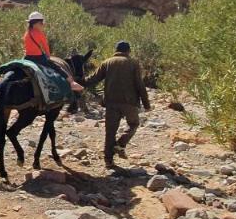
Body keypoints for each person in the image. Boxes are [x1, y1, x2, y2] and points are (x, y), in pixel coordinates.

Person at [92, 40, 150, 169]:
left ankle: (108, 161)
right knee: (134, 124)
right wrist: (146, 104)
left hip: (111, 102)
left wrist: (77, 83)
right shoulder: (133, 63)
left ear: (116, 50)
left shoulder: (107, 62)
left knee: (110, 131)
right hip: (129, 102)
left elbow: (93, 79)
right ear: (128, 51)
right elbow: (139, 84)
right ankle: (120, 144)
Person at [23, 11, 84, 92]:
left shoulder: (27, 33)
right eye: (41, 23)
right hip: (38, 58)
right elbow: (45, 46)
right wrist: (48, 56)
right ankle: (72, 83)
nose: (43, 25)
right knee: (57, 67)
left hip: (27, 58)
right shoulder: (39, 33)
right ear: (37, 23)